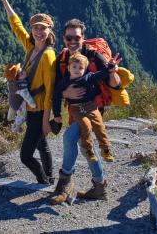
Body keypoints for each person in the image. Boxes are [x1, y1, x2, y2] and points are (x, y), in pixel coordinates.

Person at [51, 19, 121, 205]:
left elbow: (116, 84)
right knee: (82, 144)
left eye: (77, 37)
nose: (73, 41)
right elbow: (57, 89)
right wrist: (66, 93)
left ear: (83, 38)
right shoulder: (63, 59)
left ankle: (65, 184)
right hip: (75, 109)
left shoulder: (94, 56)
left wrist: (112, 70)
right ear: (64, 38)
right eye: (69, 37)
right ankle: (98, 187)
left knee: (70, 139)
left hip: (93, 109)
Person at [0, 0, 55, 185]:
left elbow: (50, 90)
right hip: (30, 107)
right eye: (35, 28)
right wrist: (4, 0)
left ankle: (43, 181)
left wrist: (46, 119)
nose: (38, 32)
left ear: (49, 31)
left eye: (42, 29)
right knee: (42, 146)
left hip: (38, 111)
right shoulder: (30, 47)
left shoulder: (48, 56)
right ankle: (50, 177)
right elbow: (16, 25)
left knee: (25, 156)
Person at [52, 52, 121, 162]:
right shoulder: (64, 82)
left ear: (85, 69)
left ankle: (105, 149)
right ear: (68, 68)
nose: (77, 69)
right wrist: (56, 114)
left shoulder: (89, 77)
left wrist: (110, 66)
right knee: (86, 125)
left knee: (100, 125)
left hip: (91, 106)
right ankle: (88, 150)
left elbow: (101, 73)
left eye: (80, 68)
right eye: (74, 66)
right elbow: (56, 97)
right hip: (76, 108)